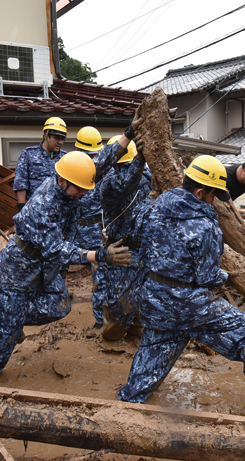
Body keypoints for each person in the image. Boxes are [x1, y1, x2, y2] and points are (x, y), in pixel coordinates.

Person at [117, 155, 245, 418]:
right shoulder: (204, 226)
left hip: (154, 299)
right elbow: (207, 277)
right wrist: (226, 276)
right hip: (190, 303)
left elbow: (136, 242)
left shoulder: (151, 208)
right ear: (201, 193)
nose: (215, 200)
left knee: (155, 351)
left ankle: (125, 408)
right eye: (214, 195)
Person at [0, 151, 132, 379]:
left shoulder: (69, 186)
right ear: (62, 181)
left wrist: (127, 137)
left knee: (59, 305)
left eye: (84, 190)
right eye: (79, 190)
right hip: (19, 269)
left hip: (45, 268)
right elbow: (57, 249)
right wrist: (101, 255)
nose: (83, 195)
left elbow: (96, 167)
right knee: (4, 334)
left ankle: (11, 318)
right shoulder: (43, 205)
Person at [71, 126, 132, 329]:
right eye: (88, 154)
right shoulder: (73, 171)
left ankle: (101, 321)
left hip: (98, 231)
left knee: (101, 277)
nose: (92, 158)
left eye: (95, 154)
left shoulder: (104, 175)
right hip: (75, 231)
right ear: (78, 151)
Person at [98, 136, 151, 340]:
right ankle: (113, 326)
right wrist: (139, 159)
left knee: (144, 293)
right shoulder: (110, 183)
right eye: (124, 166)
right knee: (119, 298)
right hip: (121, 248)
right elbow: (126, 184)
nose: (127, 169)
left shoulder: (145, 177)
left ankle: (137, 328)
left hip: (144, 245)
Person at [13, 117, 68, 212]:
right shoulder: (29, 154)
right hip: (35, 211)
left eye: (62, 139)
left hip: (58, 212)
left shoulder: (65, 158)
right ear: (46, 135)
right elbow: (21, 182)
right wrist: (21, 207)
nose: (60, 142)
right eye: (57, 138)